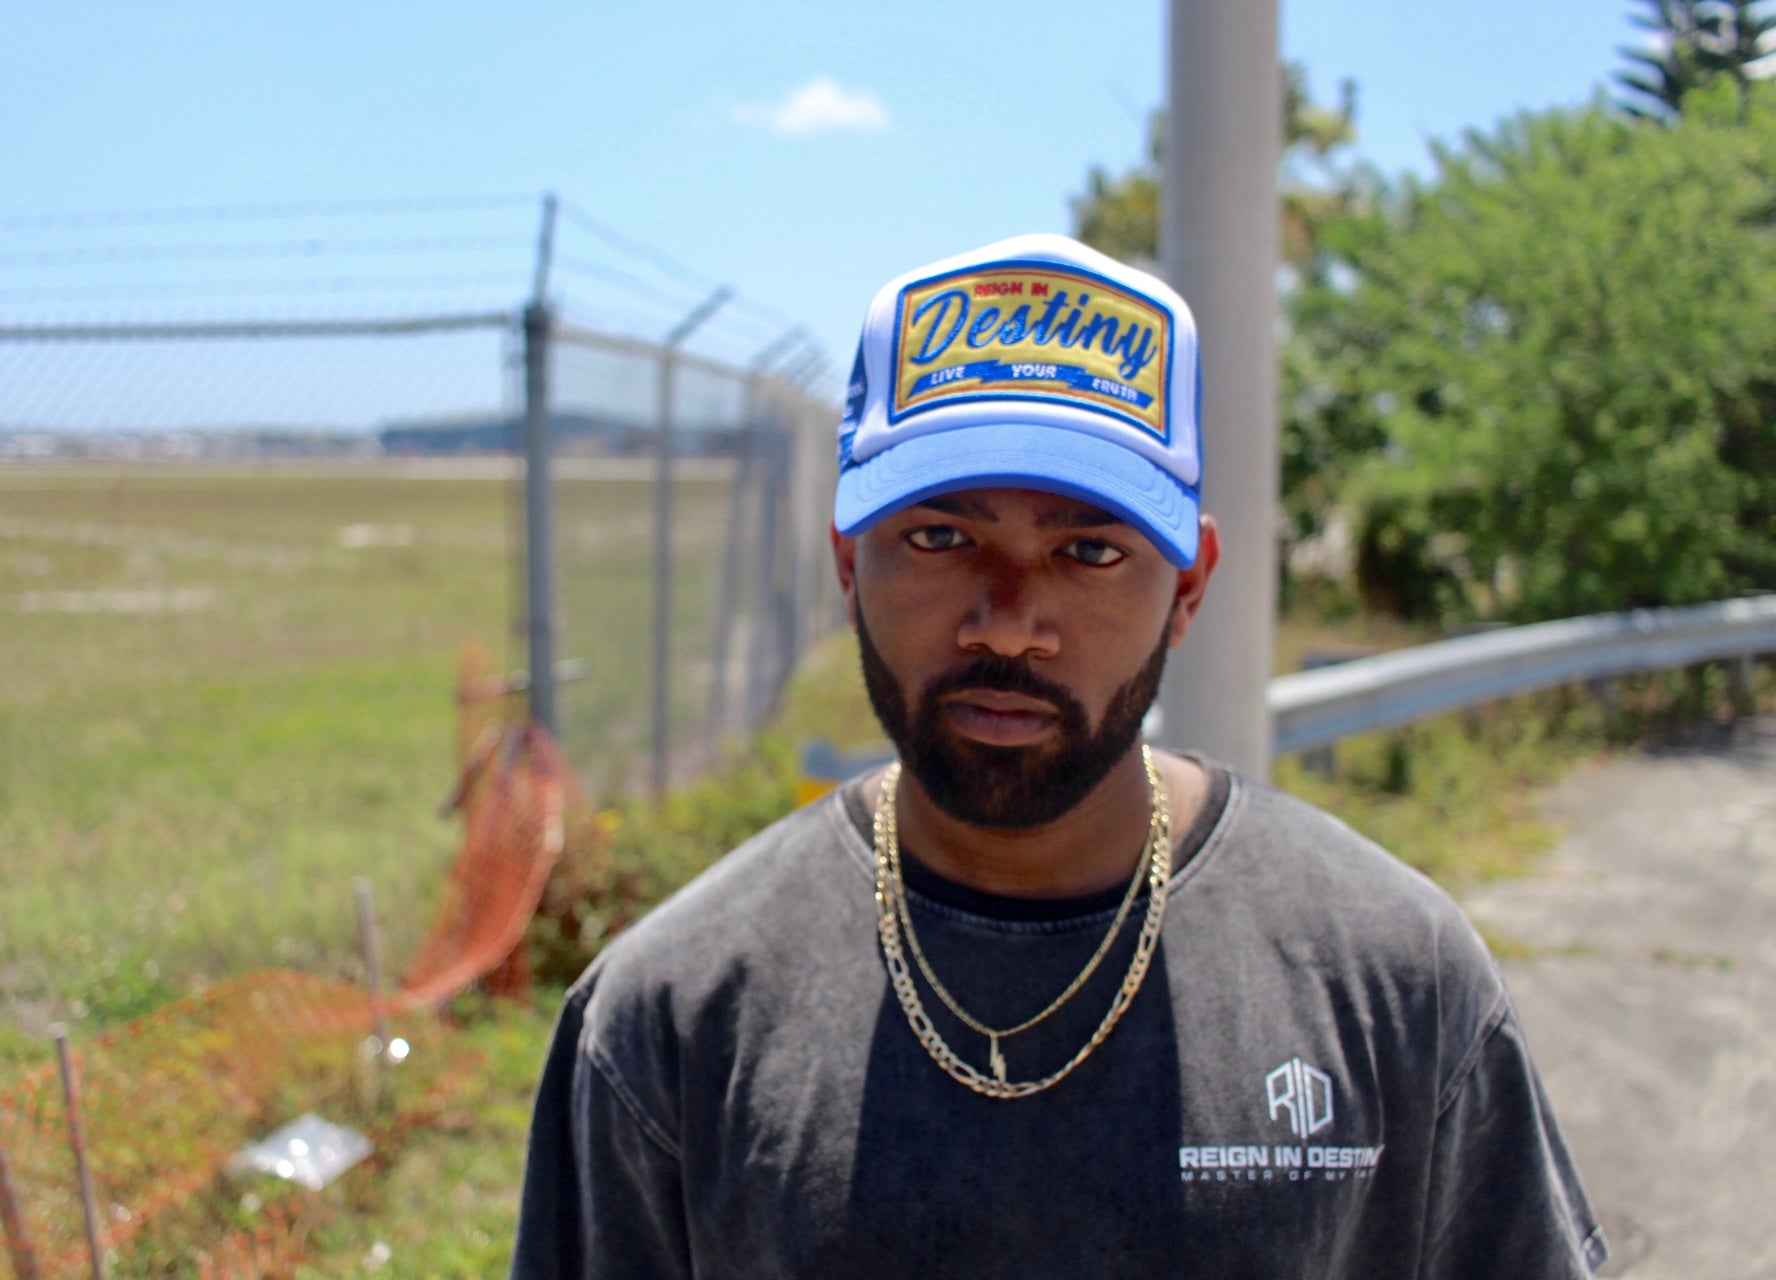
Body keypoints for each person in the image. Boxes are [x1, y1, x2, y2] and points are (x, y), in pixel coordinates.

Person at [510, 234, 1605, 1278]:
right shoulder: (670, 1017)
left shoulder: (1391, 981)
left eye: (1088, 550)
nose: (1007, 622)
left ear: (1187, 588)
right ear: (848, 561)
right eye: (940, 537)